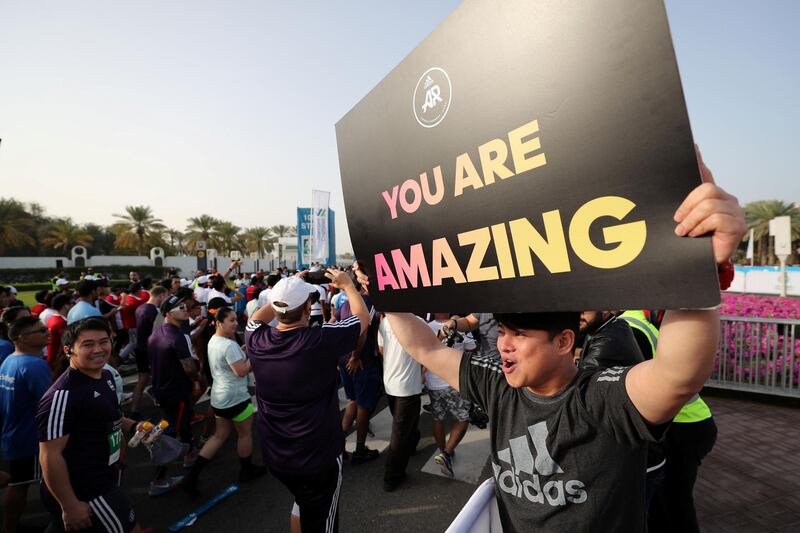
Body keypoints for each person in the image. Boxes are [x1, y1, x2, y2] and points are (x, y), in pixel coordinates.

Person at [383, 173, 746, 531]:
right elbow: (425, 348)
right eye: (504, 331)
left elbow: (678, 375)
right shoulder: (497, 384)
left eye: (520, 334)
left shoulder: (603, 399)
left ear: (563, 342)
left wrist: (701, 263)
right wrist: (386, 298)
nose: (504, 343)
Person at [246, 269, 368, 533]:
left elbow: (257, 317)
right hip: (317, 459)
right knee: (322, 521)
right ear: (308, 307)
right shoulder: (319, 340)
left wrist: (288, 290)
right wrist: (348, 285)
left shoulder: (256, 339)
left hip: (277, 456)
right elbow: (362, 320)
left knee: (302, 502)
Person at [36, 317, 153, 533]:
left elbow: (111, 415)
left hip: (103, 473)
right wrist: (69, 504)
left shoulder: (105, 375)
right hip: (85, 487)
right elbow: (49, 456)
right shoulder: (62, 395)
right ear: (68, 349)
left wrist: (135, 426)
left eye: (104, 341)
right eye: (88, 344)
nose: (98, 349)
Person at [182, 307, 266, 495]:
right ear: (219, 323)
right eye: (231, 320)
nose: (236, 323)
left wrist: (243, 352)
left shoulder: (214, 341)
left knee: (219, 436)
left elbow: (230, 363)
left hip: (219, 398)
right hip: (236, 397)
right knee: (245, 435)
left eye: (236, 319)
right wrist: (253, 353)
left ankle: (192, 477)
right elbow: (241, 371)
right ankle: (246, 470)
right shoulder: (229, 345)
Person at [0, 316, 52, 533]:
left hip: (13, 432)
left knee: (19, 483)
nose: (47, 332)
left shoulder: (10, 360)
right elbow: (51, 402)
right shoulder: (34, 365)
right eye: (41, 331)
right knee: (25, 484)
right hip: (30, 436)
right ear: (22, 338)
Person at [147, 293, 200, 496]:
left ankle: (190, 453)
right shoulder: (176, 336)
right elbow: (189, 367)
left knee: (183, 421)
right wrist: (197, 376)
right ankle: (158, 479)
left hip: (162, 388)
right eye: (180, 308)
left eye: (184, 307)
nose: (185, 310)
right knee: (169, 431)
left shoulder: (157, 333)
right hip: (175, 391)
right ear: (168, 313)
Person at [425, 313, 477, 478]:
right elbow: (471, 349)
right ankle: (446, 453)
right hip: (455, 381)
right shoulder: (459, 326)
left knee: (438, 418)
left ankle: (443, 450)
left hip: (433, 382)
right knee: (463, 418)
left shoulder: (426, 327)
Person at [338, 276, 382, 463]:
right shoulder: (368, 302)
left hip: (345, 358)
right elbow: (362, 330)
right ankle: (359, 449)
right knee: (363, 406)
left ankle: (338, 447)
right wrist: (356, 356)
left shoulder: (345, 304)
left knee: (353, 401)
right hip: (361, 359)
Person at [377, 314, 422, 491]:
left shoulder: (385, 321)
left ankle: (410, 444)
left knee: (403, 424)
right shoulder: (417, 321)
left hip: (390, 381)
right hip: (407, 386)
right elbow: (427, 348)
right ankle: (392, 476)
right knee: (400, 431)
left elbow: (381, 349)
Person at [130, 286, 169, 420]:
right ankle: (166, 409)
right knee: (161, 378)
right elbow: (160, 332)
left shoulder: (140, 307)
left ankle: (134, 411)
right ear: (161, 296)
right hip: (150, 350)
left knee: (142, 380)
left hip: (140, 348)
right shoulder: (153, 311)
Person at [45, 294, 72, 371]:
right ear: (66, 305)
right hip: (58, 361)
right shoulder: (62, 322)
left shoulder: (52, 318)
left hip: (51, 358)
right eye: (71, 303)